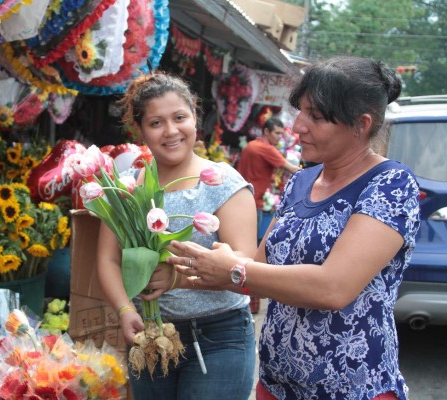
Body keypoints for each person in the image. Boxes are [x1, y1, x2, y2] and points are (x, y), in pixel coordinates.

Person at [155, 56, 421, 399]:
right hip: (278, 384)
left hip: (350, 388)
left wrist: (236, 269)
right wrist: (191, 266)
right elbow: (262, 270)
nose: (298, 127)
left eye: (316, 116)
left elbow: (333, 288)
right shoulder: (302, 181)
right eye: (301, 112)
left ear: (361, 124)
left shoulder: (390, 185)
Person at [96, 72, 259, 399]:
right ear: (140, 130)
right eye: (156, 123)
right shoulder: (127, 188)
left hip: (219, 336)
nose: (171, 131)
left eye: (180, 118)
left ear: (195, 119)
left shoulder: (222, 183)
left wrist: (179, 278)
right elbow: (108, 258)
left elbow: (244, 268)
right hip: (151, 337)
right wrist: (124, 310)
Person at [237, 117, 300, 232]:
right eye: (277, 133)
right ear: (266, 131)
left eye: (282, 133)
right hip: (254, 203)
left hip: (240, 199)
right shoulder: (267, 149)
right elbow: (292, 169)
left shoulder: (251, 145)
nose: (280, 137)